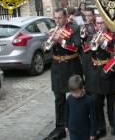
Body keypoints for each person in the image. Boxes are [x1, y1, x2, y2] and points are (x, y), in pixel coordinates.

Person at [45, 8, 83, 140]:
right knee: (59, 98)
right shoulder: (54, 28)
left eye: (59, 18)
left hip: (72, 65)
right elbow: (46, 48)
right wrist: (49, 39)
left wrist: (61, 41)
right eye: (55, 18)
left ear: (66, 17)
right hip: (57, 67)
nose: (57, 21)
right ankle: (60, 127)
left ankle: (78, 123)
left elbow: (77, 46)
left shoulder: (74, 27)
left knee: (77, 95)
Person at [82, 16, 115, 139]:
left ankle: (114, 125)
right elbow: (86, 50)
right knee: (97, 102)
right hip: (95, 72)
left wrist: (104, 44)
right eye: (98, 23)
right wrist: (85, 39)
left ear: (107, 24)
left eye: (102, 23)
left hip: (108, 71)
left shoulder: (113, 36)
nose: (100, 25)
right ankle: (100, 127)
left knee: (111, 101)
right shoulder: (93, 35)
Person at [66, 75, 96, 140]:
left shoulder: (89, 100)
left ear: (82, 88)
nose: (75, 95)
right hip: (73, 131)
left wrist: (92, 133)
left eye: (77, 92)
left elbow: (93, 117)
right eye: (73, 92)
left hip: (85, 132)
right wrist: (66, 125)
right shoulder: (69, 99)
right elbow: (67, 113)